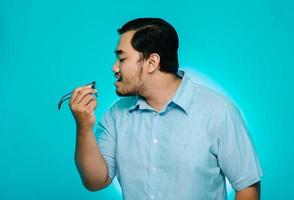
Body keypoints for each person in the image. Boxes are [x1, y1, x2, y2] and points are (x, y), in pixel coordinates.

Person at [70, 18, 263, 200]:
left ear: (152, 62)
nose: (114, 68)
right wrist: (84, 126)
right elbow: (95, 181)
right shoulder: (116, 115)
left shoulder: (219, 112)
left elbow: (247, 186)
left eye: (122, 59)